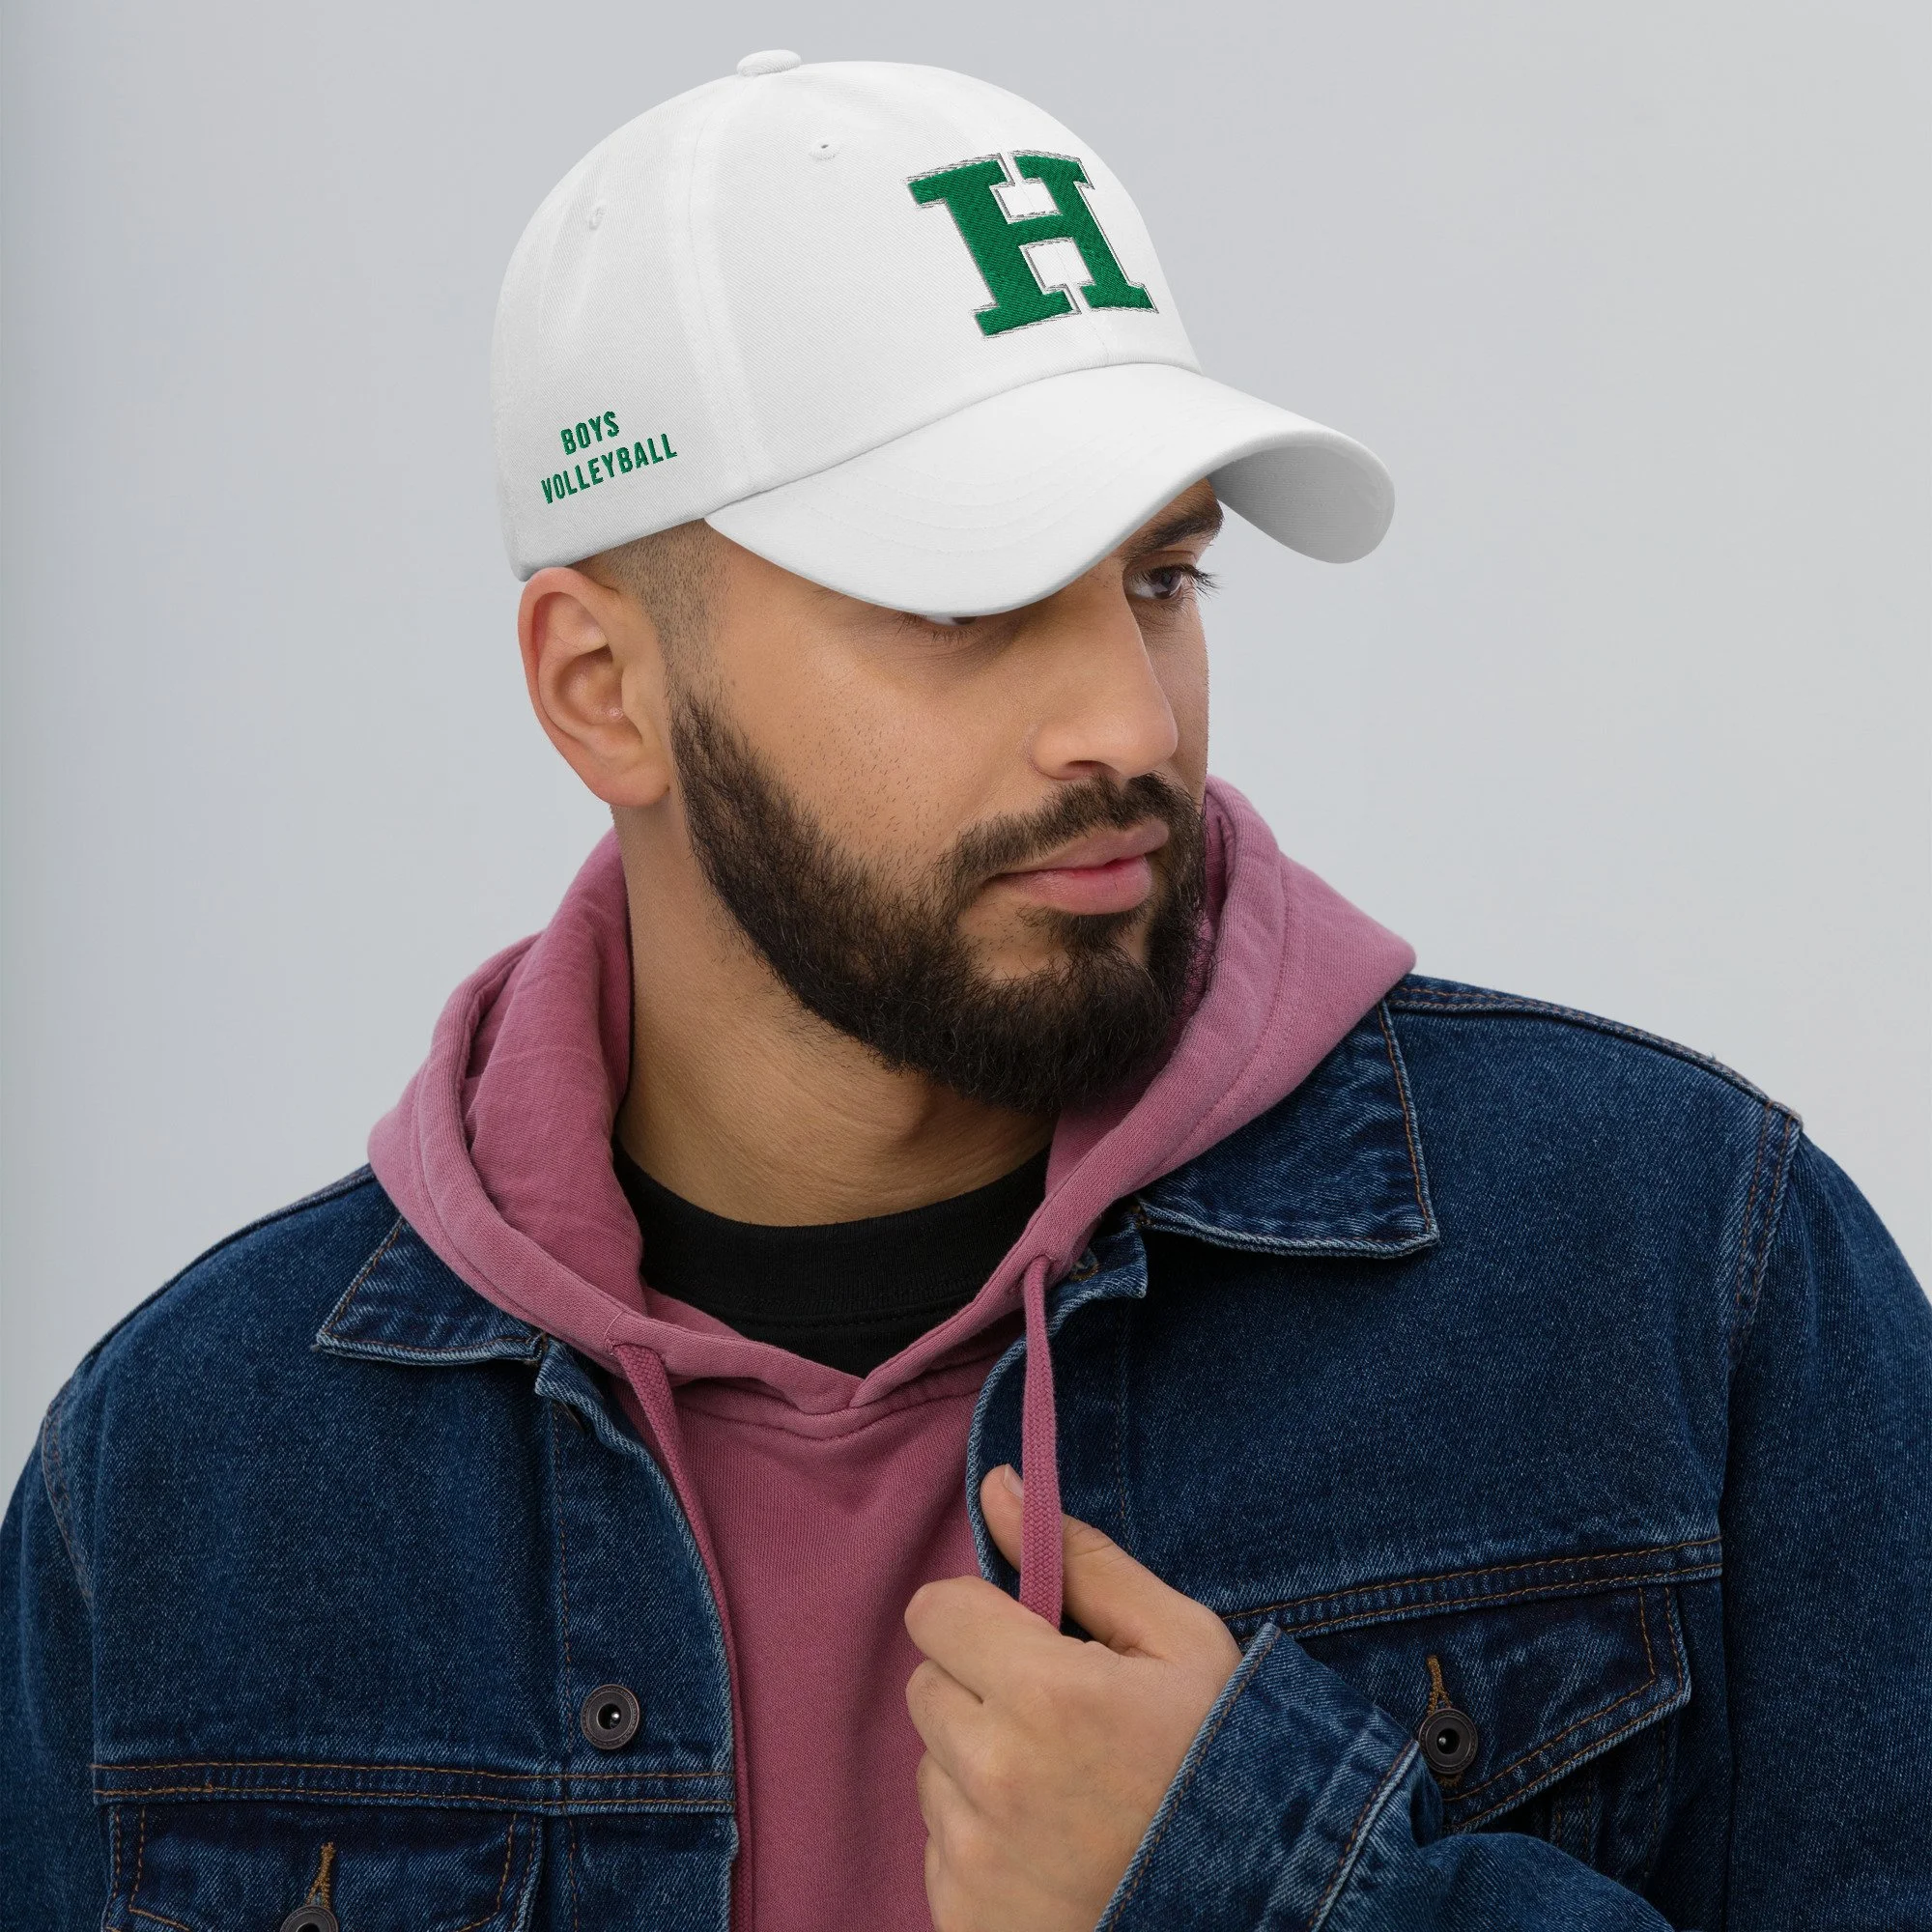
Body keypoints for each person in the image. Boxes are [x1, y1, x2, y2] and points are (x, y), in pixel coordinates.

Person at [3, 49, 1927, 1932]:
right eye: (964, 603)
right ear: (604, 690)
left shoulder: (1677, 1271)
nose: (1128, 723)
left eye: (1162, 580)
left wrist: (1269, 1885)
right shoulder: (178, 1477)